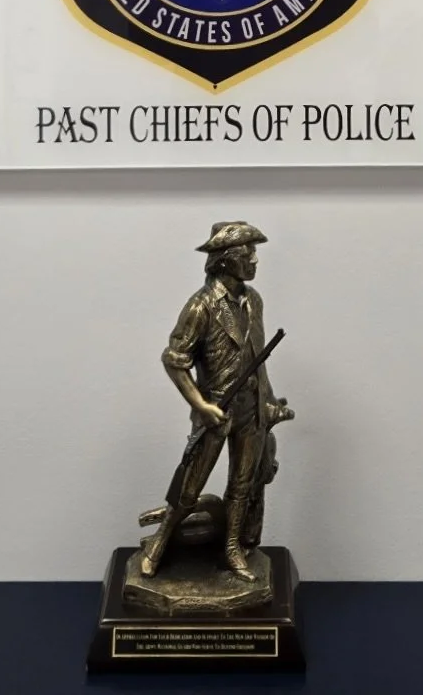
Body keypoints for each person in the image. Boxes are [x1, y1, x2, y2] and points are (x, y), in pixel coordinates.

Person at [138, 221, 294, 583]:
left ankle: (233, 548)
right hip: (215, 411)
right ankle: (159, 544)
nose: (255, 261)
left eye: (255, 253)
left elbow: (258, 358)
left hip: (251, 411)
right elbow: (174, 361)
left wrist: (267, 403)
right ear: (224, 260)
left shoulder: (253, 301)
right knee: (189, 488)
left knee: (241, 486)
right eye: (247, 254)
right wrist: (201, 405)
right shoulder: (201, 306)